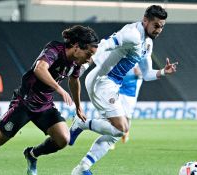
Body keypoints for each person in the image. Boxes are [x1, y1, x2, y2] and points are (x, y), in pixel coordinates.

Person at [0, 25, 99, 175]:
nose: (89, 59)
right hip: (25, 102)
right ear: (77, 46)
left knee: (63, 139)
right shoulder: (55, 49)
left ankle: (31, 154)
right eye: (89, 54)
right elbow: (39, 69)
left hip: (45, 105)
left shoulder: (76, 61)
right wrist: (59, 89)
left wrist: (78, 107)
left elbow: (74, 80)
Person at [69, 5, 178, 175]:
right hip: (101, 82)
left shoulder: (147, 43)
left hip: (111, 86)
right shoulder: (132, 34)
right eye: (156, 25)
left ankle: (82, 168)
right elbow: (104, 45)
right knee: (121, 128)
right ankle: (81, 123)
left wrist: (164, 72)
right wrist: (83, 65)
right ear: (145, 20)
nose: (159, 30)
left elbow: (146, 74)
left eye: (162, 26)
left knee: (114, 134)